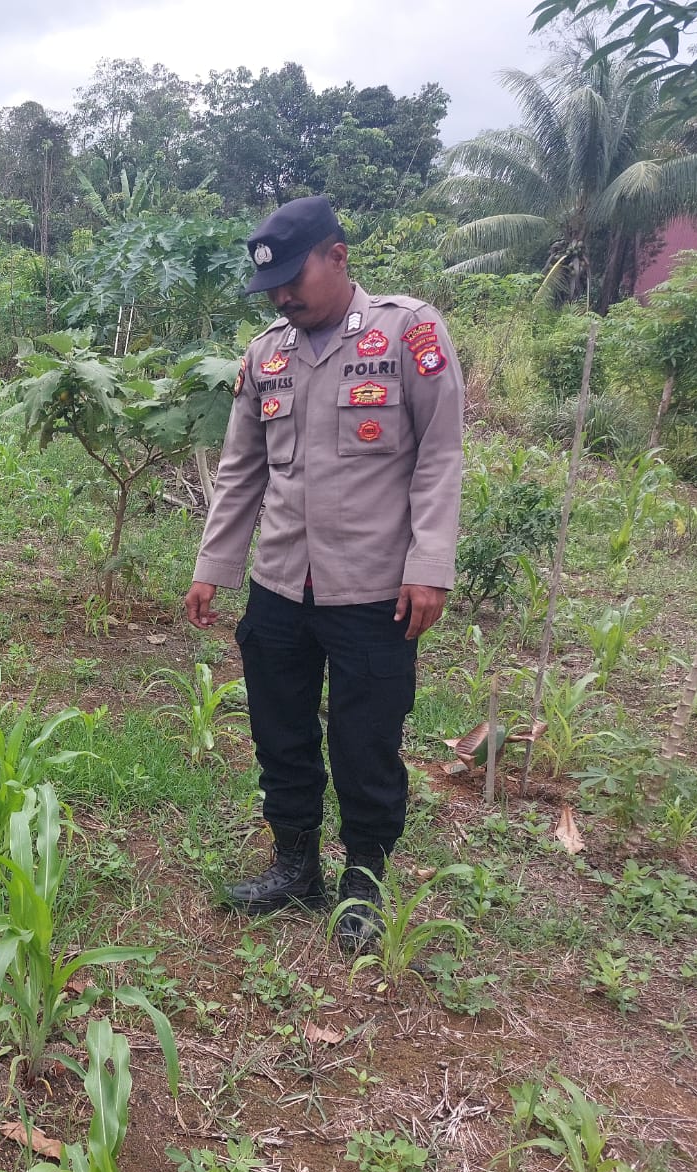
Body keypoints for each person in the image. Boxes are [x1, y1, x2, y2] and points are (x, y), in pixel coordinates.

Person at [183, 196, 463, 951]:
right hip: (281, 584)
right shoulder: (265, 353)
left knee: (366, 740)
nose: (281, 296)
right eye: (270, 287)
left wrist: (430, 566)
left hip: (374, 588)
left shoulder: (409, 333)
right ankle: (295, 864)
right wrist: (215, 564)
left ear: (337, 257)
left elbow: (439, 455)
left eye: (293, 278)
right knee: (280, 731)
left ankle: (364, 880)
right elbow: (241, 471)